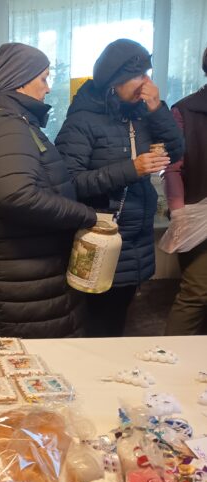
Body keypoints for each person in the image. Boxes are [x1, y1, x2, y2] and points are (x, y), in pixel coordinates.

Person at [0, 43, 97, 338]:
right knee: (40, 359)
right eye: (43, 78)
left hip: (23, 270)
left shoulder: (8, 121)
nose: (48, 87)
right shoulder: (7, 126)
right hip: (24, 276)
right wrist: (85, 215)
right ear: (20, 80)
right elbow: (15, 195)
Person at [55, 39, 183, 337]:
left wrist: (157, 109)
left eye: (147, 74)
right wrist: (132, 169)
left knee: (117, 319)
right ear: (115, 81)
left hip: (135, 240)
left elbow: (175, 152)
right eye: (139, 75)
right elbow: (69, 183)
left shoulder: (141, 114)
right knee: (98, 325)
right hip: (100, 237)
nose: (146, 83)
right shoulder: (82, 121)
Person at [163, 47, 207, 335]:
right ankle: (170, 355)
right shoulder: (186, 110)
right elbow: (172, 168)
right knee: (197, 293)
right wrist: (179, 215)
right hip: (197, 218)